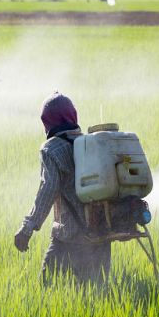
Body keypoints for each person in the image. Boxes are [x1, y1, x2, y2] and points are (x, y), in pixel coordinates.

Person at [13, 92, 111, 285]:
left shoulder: (51, 149)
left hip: (70, 235)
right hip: (102, 231)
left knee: (47, 288)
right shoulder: (91, 143)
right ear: (73, 116)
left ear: (48, 122)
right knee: (97, 293)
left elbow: (47, 191)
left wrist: (27, 228)